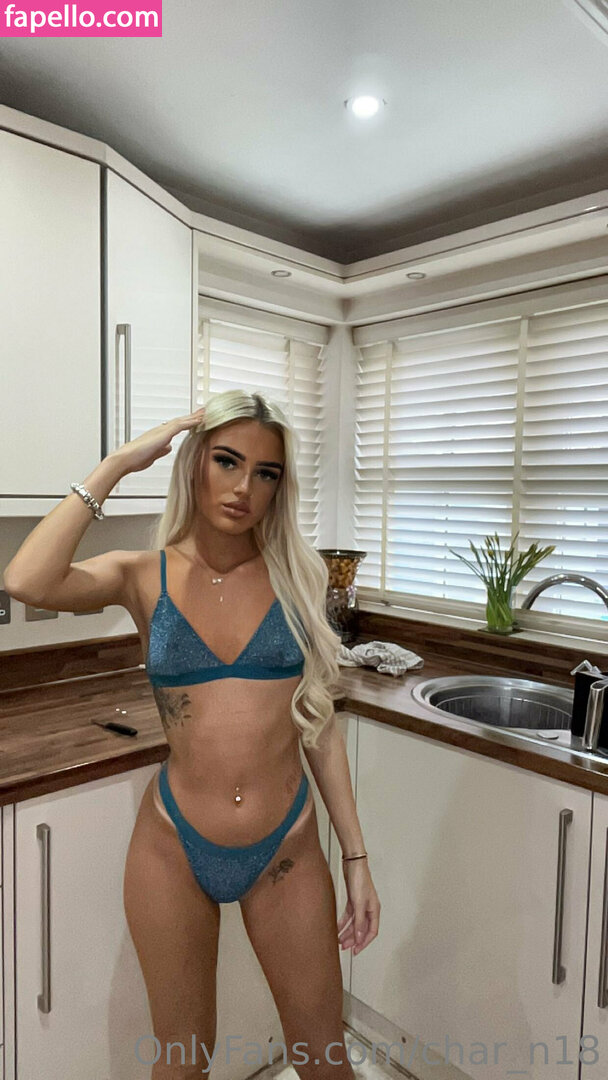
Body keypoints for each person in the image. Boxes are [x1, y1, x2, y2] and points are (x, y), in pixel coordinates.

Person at [4, 389, 381, 1079]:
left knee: (324, 1060)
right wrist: (119, 463)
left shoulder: (297, 576)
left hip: (286, 847)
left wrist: (356, 857)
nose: (243, 488)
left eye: (265, 472)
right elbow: (26, 579)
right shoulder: (142, 575)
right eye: (226, 461)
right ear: (194, 464)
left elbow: (318, 725)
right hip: (174, 845)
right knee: (182, 1063)